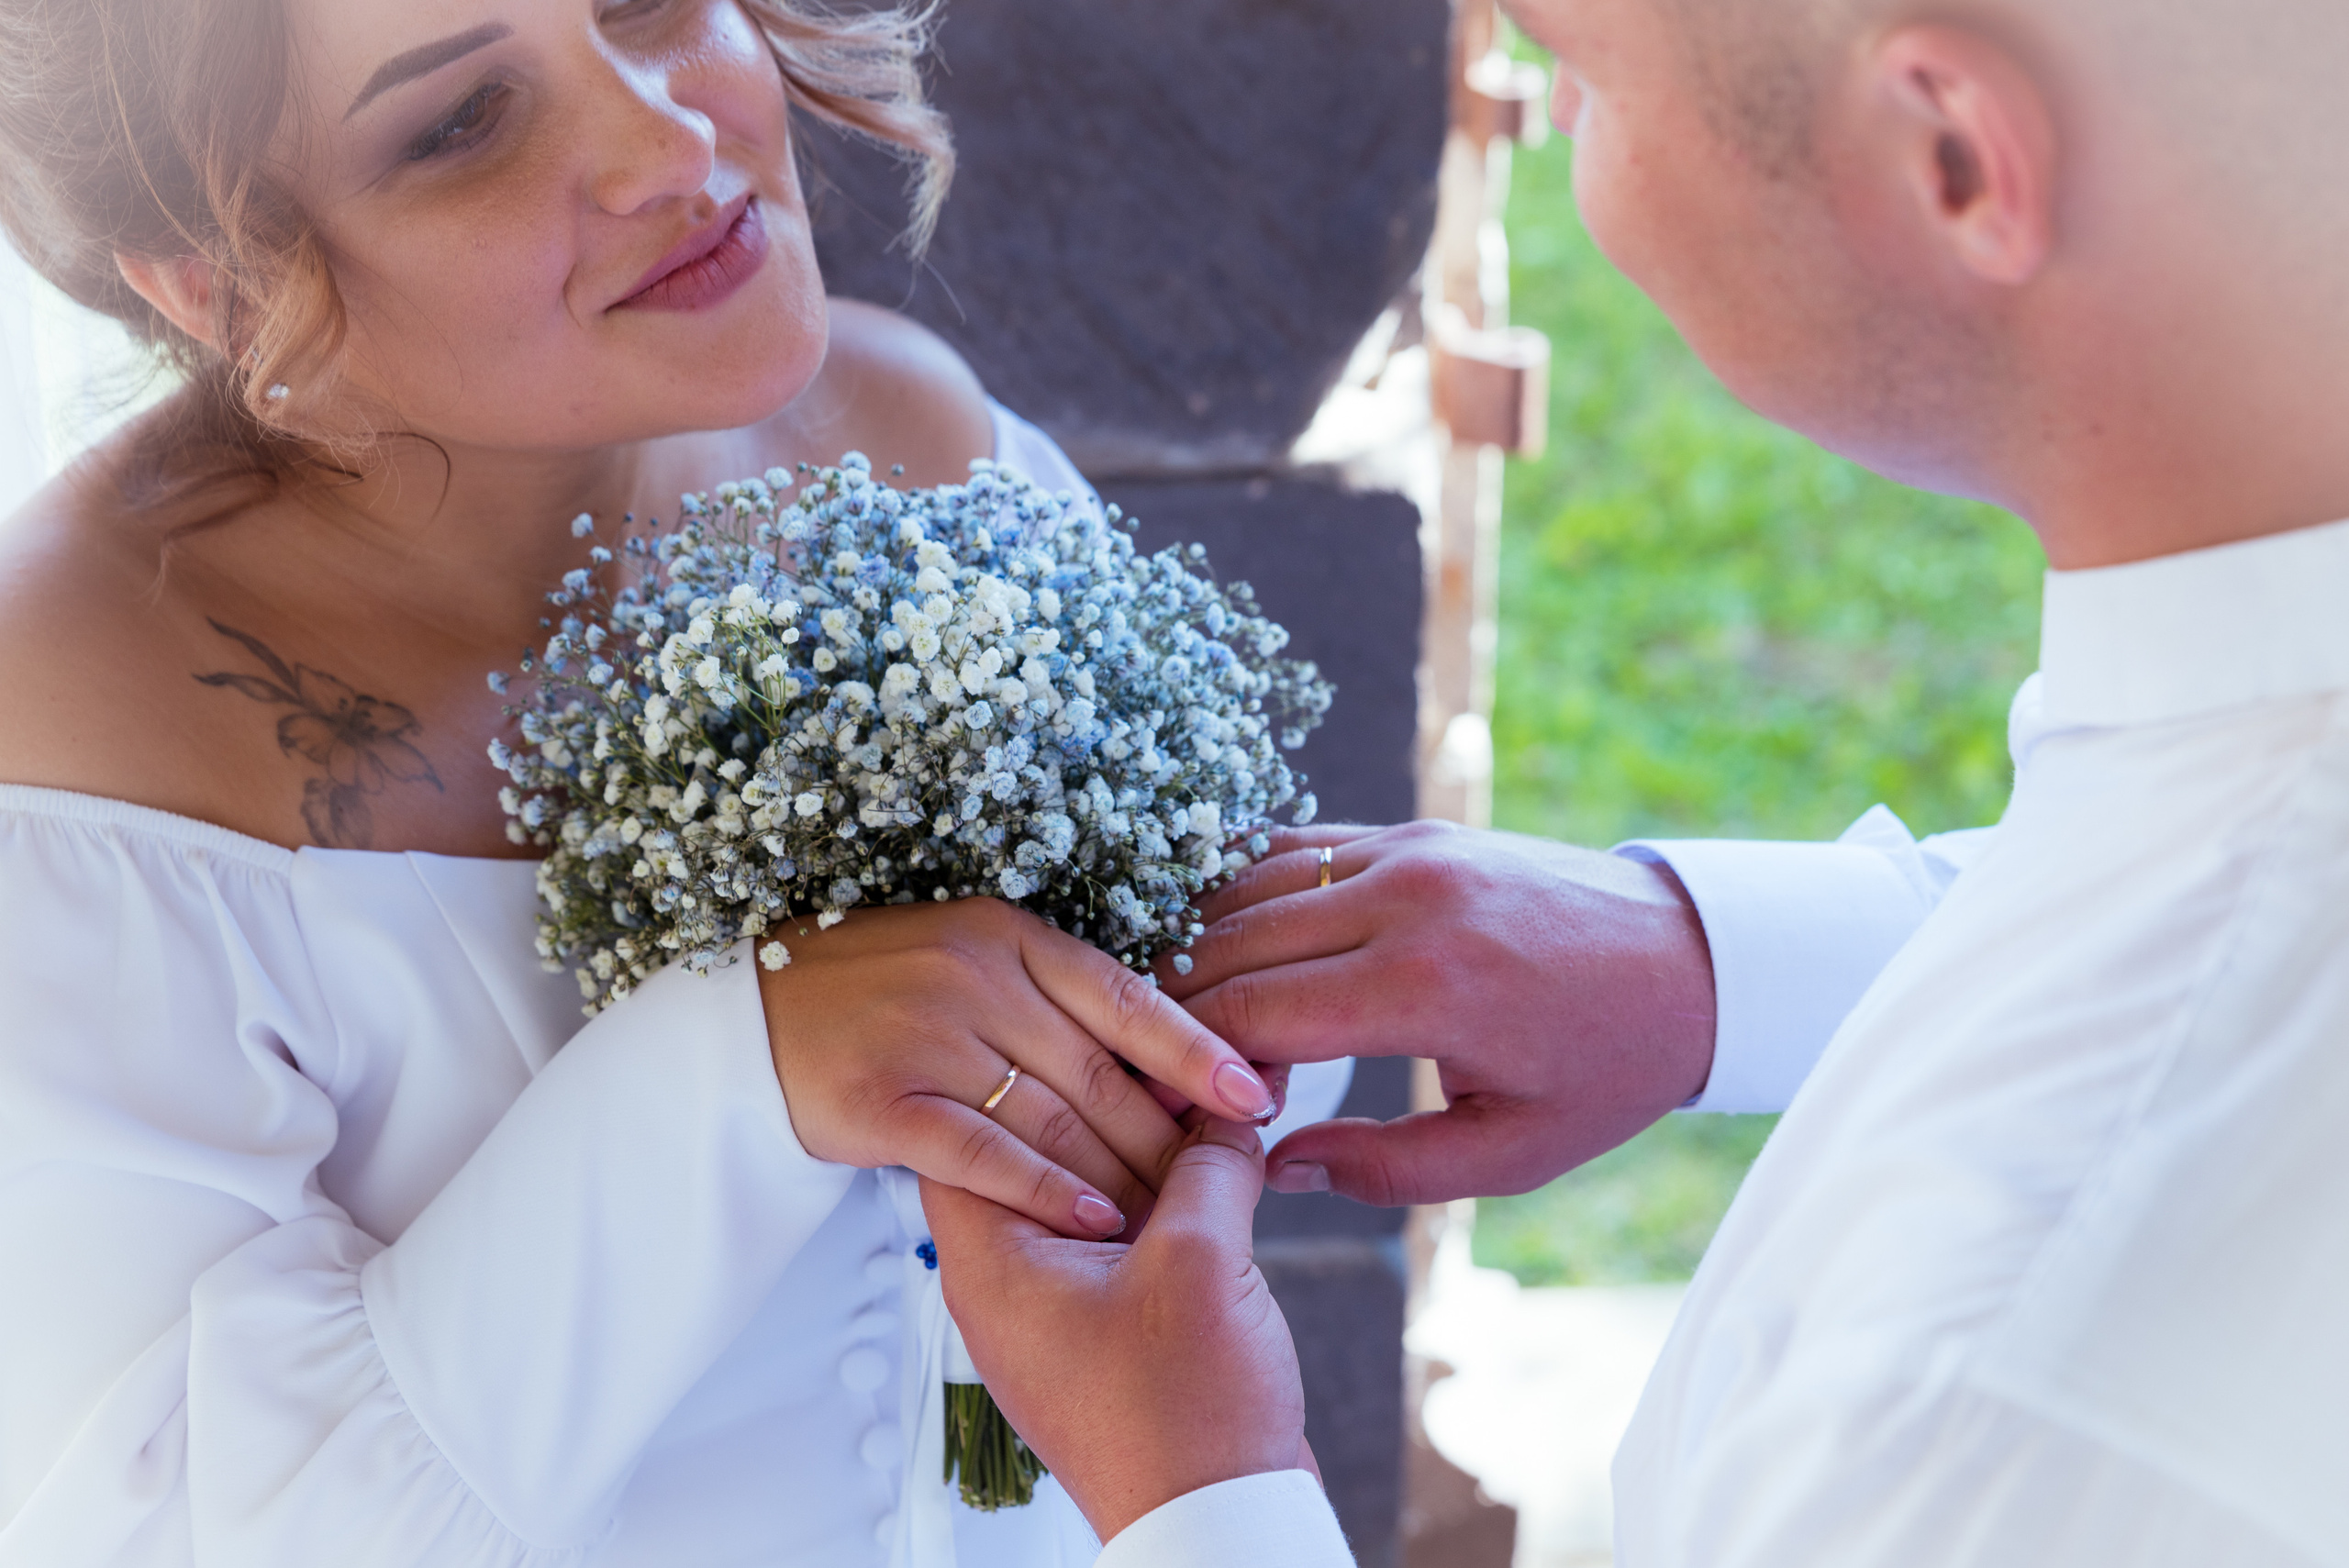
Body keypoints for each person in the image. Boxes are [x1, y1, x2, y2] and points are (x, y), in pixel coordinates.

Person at [927, 0, 2349, 1563]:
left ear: (1948, 157)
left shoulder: (1974, 1403)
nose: (1566, 144)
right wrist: (1717, 967)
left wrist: (1200, 1491)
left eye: (1576, 71)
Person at [0, 2, 1355, 1563]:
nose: (673, 138)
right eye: (460, 122)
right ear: (225, 288)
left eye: (647, 0)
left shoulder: (915, 433)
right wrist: (743, 1069)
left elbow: (1219, 1057)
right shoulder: (74, 758)